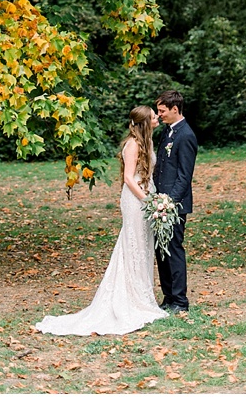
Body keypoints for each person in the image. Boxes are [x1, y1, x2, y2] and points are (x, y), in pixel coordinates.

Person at [34, 106, 168, 336]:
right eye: (154, 117)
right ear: (145, 122)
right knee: (132, 246)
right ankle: (130, 299)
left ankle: (144, 297)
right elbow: (128, 178)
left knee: (144, 248)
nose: (158, 118)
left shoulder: (148, 142)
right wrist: (148, 201)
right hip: (136, 201)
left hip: (147, 196)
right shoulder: (132, 145)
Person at [153, 89, 198, 313]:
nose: (159, 115)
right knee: (161, 251)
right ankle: (168, 297)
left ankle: (180, 300)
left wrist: (169, 204)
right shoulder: (167, 132)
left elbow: (184, 175)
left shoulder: (186, 135)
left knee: (173, 250)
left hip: (174, 206)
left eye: (162, 111)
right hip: (159, 204)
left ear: (175, 109)